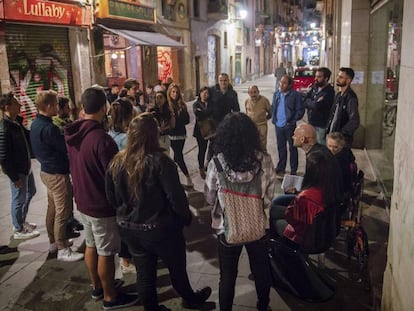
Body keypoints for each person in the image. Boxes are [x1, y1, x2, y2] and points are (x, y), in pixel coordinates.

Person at [105, 112, 212, 311]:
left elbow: (111, 198)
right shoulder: (161, 162)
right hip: (160, 230)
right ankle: (189, 298)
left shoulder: (117, 162)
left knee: (145, 273)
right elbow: (177, 199)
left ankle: (152, 308)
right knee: (177, 268)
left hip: (130, 229)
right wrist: (183, 219)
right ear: (153, 134)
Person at [64, 87, 138, 309]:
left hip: (83, 201)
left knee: (91, 245)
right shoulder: (101, 139)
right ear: (104, 107)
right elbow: (114, 176)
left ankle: (97, 286)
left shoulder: (72, 133)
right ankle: (110, 297)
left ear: (82, 107)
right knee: (106, 252)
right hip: (100, 204)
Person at [205, 112, 276, 311]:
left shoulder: (216, 163)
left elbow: (209, 198)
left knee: (227, 275)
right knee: (261, 270)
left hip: (227, 230)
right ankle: (263, 306)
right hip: (258, 227)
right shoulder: (265, 160)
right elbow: (269, 195)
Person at [30, 90, 83, 261]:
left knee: (52, 209)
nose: (57, 108)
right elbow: (65, 148)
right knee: (63, 211)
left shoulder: (36, 124)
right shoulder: (49, 128)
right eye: (54, 105)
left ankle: (53, 242)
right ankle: (62, 248)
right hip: (57, 174)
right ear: (47, 106)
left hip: (46, 171)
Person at [271, 150, 341, 246]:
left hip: (304, 236)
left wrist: (295, 199)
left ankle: (279, 250)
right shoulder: (331, 188)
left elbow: (291, 218)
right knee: (273, 210)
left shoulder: (305, 197)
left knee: (274, 220)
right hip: (323, 233)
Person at [0, 92, 39, 240]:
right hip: (18, 170)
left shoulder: (16, 123)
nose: (20, 105)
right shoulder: (5, 128)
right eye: (16, 103)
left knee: (31, 192)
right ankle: (18, 228)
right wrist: (14, 177)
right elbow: (3, 157)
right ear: (7, 107)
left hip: (26, 167)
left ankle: (21, 221)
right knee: (18, 198)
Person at [52, 96, 84, 237]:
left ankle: (71, 220)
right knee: (63, 201)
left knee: (69, 195)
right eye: (66, 107)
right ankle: (65, 230)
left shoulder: (67, 122)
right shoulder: (56, 126)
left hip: (69, 164)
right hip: (60, 167)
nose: (69, 109)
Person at [271, 75, 305, 175]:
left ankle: (293, 170)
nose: (281, 85)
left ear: (290, 85)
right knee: (281, 147)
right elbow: (273, 107)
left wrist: (292, 120)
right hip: (278, 125)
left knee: (292, 148)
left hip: (289, 126)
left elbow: (300, 110)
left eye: (284, 83)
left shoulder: (295, 95)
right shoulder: (276, 94)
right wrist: (274, 118)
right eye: (281, 82)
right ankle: (281, 167)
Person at [326, 67, 360, 147]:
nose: (337, 79)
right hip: (333, 137)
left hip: (341, 140)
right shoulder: (339, 95)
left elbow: (354, 121)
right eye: (338, 76)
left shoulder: (351, 98)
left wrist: (341, 133)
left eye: (341, 77)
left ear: (348, 80)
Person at [167, 84, 193, 187]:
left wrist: (180, 115)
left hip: (181, 134)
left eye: (177, 92)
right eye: (173, 92)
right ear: (169, 93)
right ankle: (188, 177)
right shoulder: (167, 105)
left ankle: (173, 177)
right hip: (171, 134)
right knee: (178, 156)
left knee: (177, 156)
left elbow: (187, 120)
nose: (175, 94)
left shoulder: (182, 104)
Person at [304, 67, 335, 145]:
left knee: (320, 146)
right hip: (311, 122)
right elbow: (305, 100)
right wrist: (313, 102)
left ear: (326, 78)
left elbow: (316, 106)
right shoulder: (315, 87)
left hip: (321, 125)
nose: (315, 79)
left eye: (319, 77)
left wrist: (311, 103)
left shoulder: (329, 92)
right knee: (310, 145)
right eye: (316, 76)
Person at [326, 132, 356, 200]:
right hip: (347, 189)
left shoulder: (339, 161)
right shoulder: (347, 152)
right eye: (329, 146)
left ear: (342, 146)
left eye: (335, 147)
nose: (332, 150)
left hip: (340, 193)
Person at [192, 86, 213, 179]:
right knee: (202, 150)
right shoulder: (196, 104)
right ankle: (201, 168)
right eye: (203, 93)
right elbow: (198, 115)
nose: (205, 95)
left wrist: (204, 112)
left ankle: (207, 163)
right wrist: (208, 112)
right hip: (200, 131)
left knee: (213, 148)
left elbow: (214, 112)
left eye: (207, 93)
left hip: (212, 129)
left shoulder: (212, 103)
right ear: (200, 94)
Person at [245, 85, 272, 151]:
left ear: (258, 92)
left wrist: (264, 119)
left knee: (262, 146)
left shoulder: (264, 100)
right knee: (252, 145)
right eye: (251, 92)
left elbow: (271, 112)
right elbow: (247, 113)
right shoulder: (247, 101)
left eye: (255, 92)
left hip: (261, 126)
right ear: (248, 93)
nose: (253, 94)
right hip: (251, 126)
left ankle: (264, 160)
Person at [148, 90, 175, 155]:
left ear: (165, 99)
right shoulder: (151, 111)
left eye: (161, 97)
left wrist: (172, 114)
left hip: (165, 137)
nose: (159, 100)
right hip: (155, 138)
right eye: (157, 97)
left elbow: (173, 125)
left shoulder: (168, 110)